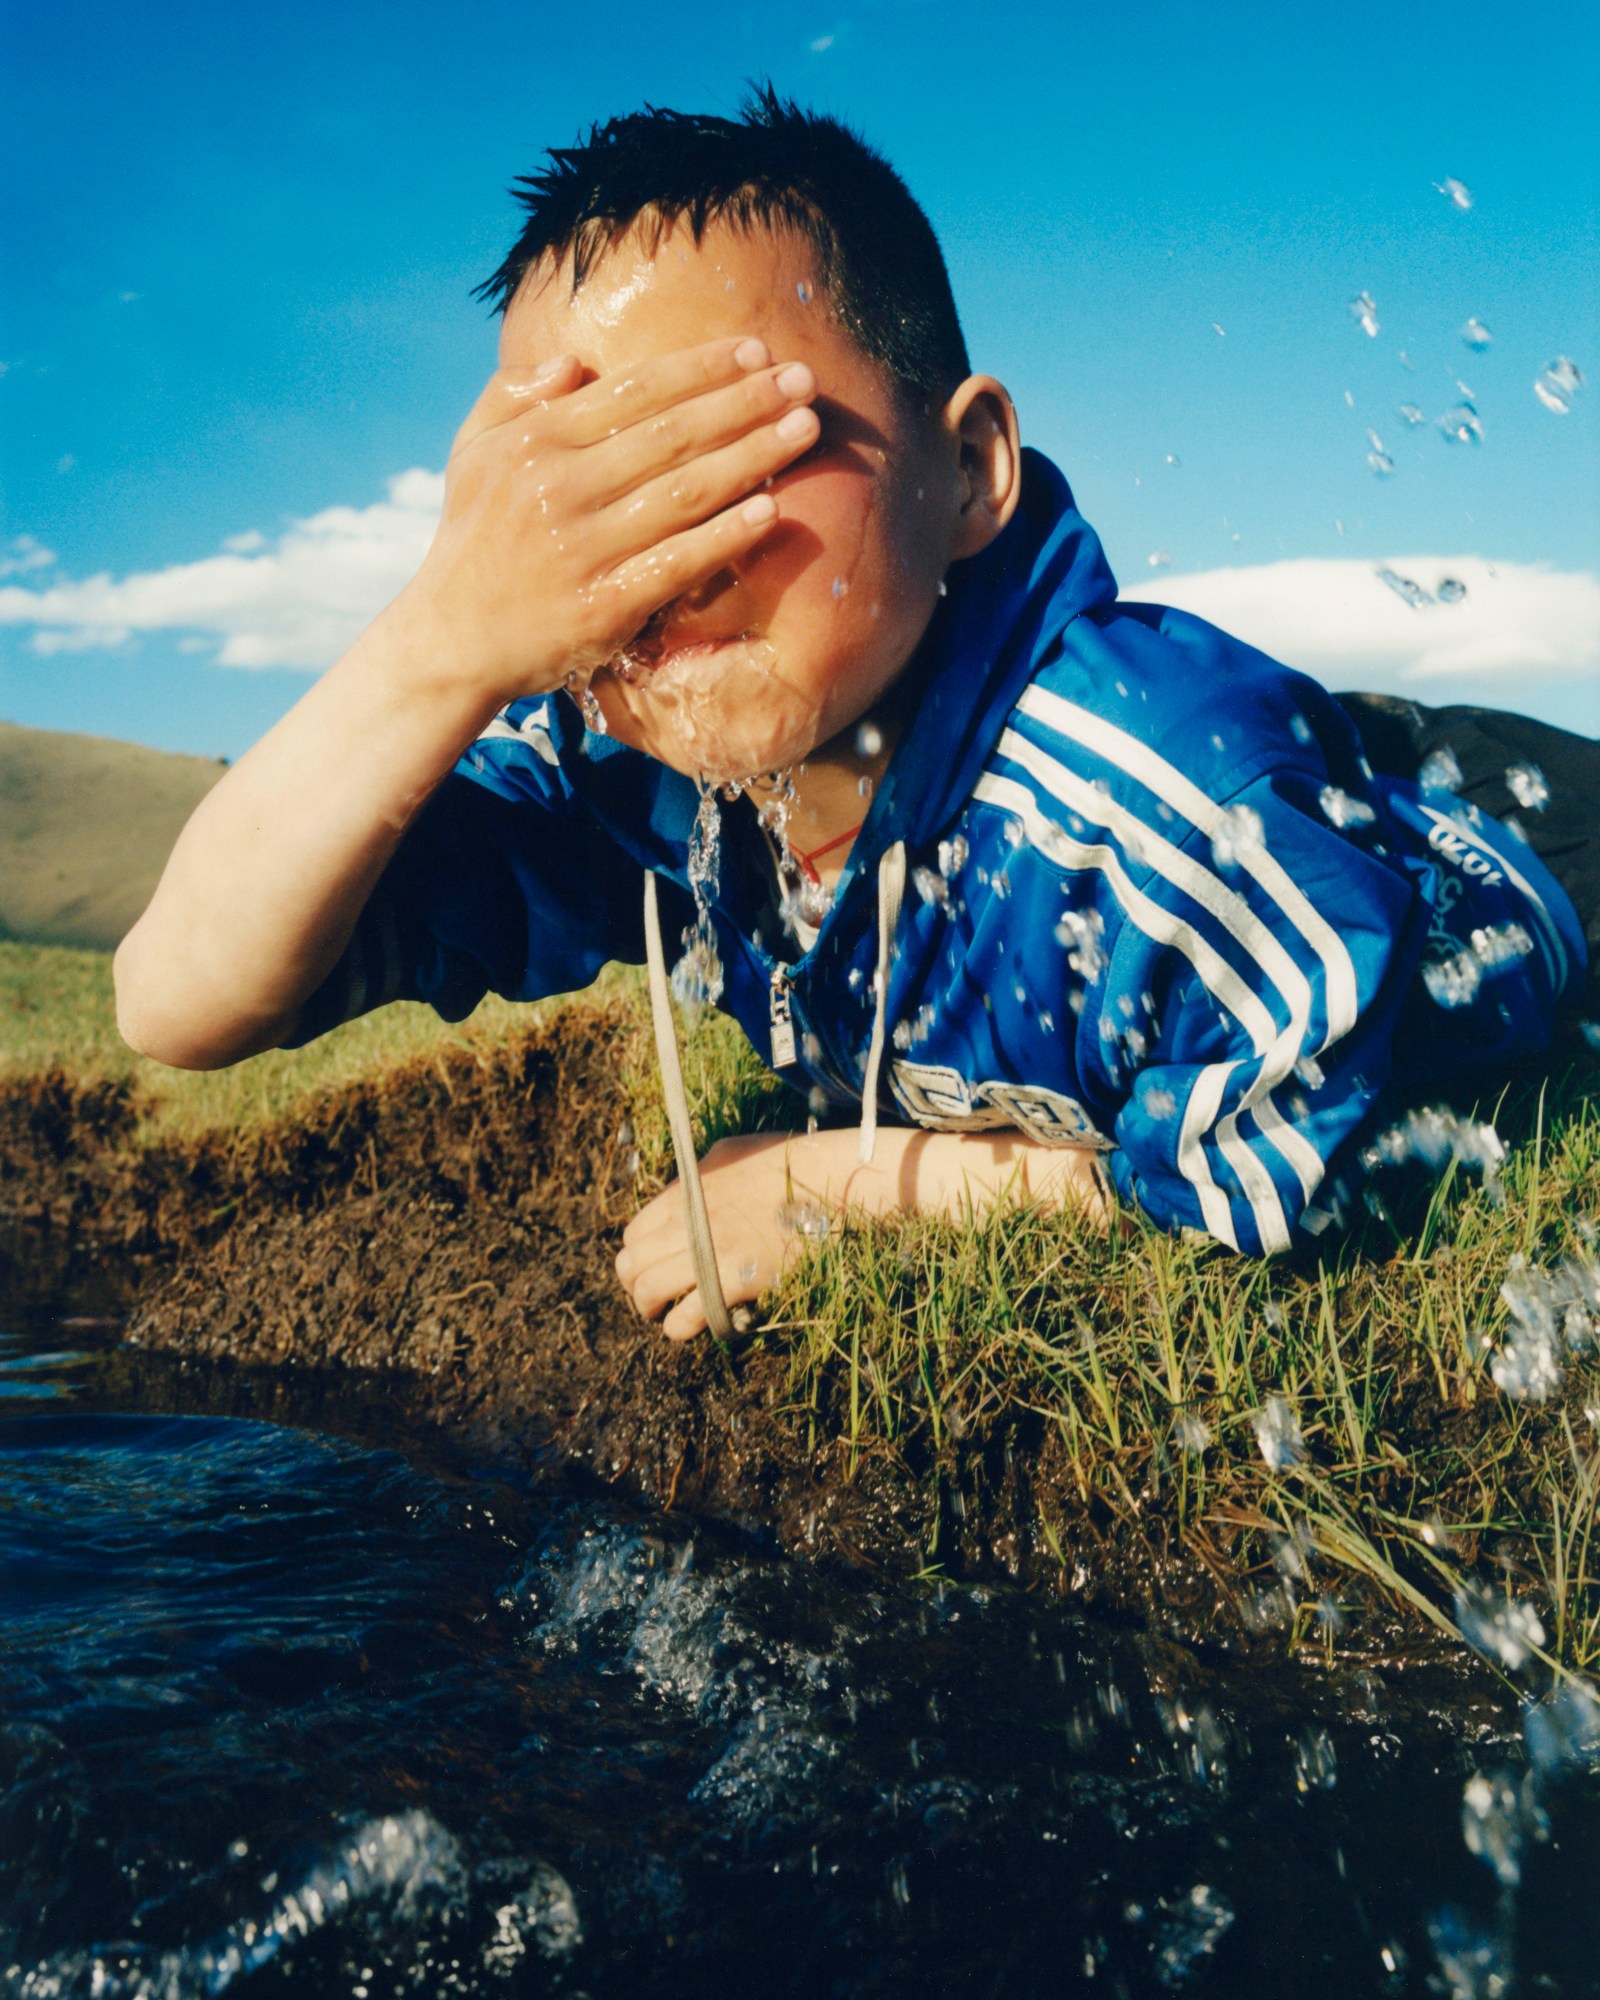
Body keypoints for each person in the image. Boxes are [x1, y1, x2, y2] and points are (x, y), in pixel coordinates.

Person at [114, 91, 1594, 1340]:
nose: (670, 547)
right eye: (583, 488)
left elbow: (1303, 1171)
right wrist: (435, 642)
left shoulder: (1155, 809)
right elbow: (179, 1001)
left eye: (741, 440)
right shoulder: (633, 779)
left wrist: (852, 1187)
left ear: (967, 473)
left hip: (1514, 828)